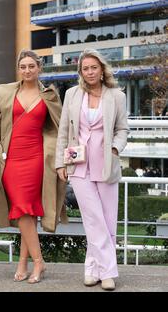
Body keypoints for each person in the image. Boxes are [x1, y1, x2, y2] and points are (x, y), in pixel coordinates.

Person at [0, 50, 67, 284]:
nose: (27, 70)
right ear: (18, 69)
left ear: (39, 68)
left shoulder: (50, 95)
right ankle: (37, 261)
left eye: (32, 66)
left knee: (26, 211)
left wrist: (62, 160)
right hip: (11, 159)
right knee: (22, 211)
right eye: (23, 66)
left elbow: (61, 128)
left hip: (37, 158)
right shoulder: (6, 93)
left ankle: (29, 263)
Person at [55, 49, 129, 291]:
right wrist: (59, 163)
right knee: (93, 218)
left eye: (93, 67)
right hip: (78, 165)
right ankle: (108, 273)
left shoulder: (116, 96)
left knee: (107, 221)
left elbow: (122, 130)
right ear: (81, 72)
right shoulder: (72, 94)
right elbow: (64, 131)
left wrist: (116, 149)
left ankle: (91, 269)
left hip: (106, 163)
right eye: (85, 68)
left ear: (101, 69)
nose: (89, 72)